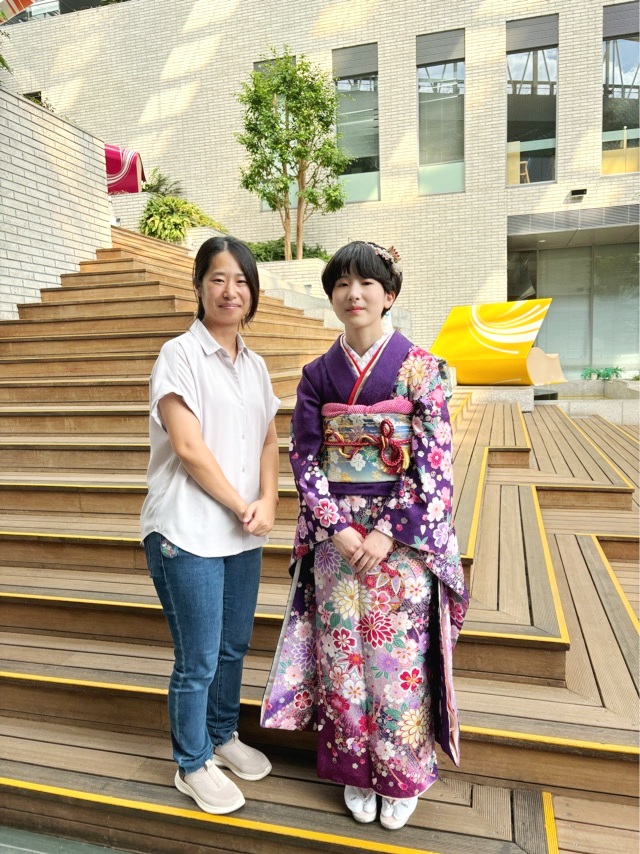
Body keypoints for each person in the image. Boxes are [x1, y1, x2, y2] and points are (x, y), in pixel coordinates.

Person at [261, 241, 468, 831]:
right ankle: (354, 769)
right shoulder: (316, 375)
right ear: (331, 298)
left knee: (395, 661)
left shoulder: (422, 369)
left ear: (389, 295)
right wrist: (338, 526)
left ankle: (402, 772)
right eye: (342, 285)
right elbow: (305, 457)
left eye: (367, 284)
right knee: (342, 658)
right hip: (336, 544)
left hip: (400, 542)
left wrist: (385, 531)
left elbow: (433, 462)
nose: (354, 294)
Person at [141, 236, 280, 815]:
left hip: (241, 529)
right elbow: (190, 447)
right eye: (219, 279)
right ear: (198, 286)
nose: (231, 291)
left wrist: (269, 499)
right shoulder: (179, 355)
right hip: (186, 529)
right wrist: (240, 503)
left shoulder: (255, 364)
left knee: (233, 645)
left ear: (253, 292)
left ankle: (222, 735)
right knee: (197, 657)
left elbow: (271, 437)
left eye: (242, 280)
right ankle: (191, 761)